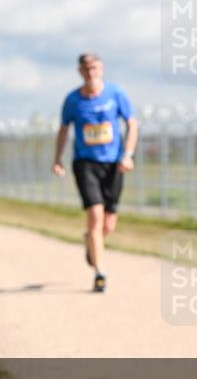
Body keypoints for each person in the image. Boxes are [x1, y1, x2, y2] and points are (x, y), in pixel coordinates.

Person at [53, 53, 138, 293]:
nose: (91, 72)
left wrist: (128, 154)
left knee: (108, 224)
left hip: (114, 163)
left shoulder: (115, 93)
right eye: (87, 68)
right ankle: (100, 272)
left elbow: (132, 123)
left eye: (95, 67)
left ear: (101, 69)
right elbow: (63, 130)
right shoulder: (72, 100)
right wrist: (57, 158)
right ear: (80, 71)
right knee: (95, 216)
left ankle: (91, 242)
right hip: (85, 163)